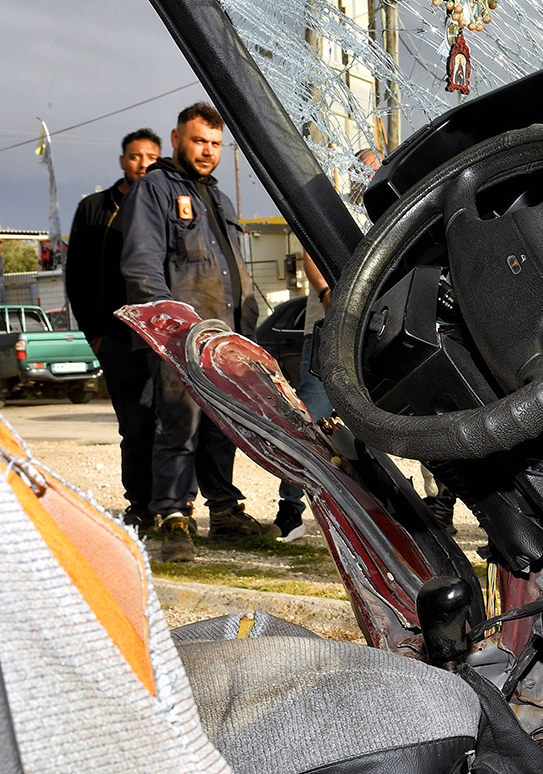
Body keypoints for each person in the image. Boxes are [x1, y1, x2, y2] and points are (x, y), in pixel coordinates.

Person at [121, 102, 269, 561]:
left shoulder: (219, 199)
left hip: (223, 340)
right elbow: (142, 266)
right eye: (199, 141)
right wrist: (170, 328)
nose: (208, 151)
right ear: (177, 139)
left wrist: (245, 330)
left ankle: (223, 512)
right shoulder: (154, 190)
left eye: (215, 144)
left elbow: (232, 271)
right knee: (177, 427)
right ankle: (173, 518)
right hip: (179, 339)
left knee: (221, 428)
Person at [273, 147, 381, 541]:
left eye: (375, 169)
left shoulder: (382, 216)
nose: (368, 176)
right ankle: (289, 510)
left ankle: (373, 509)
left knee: (370, 425)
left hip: (366, 337)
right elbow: (311, 260)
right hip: (323, 332)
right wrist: (326, 295)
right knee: (311, 419)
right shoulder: (332, 211)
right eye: (363, 169)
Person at [64, 128, 162, 533]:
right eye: (135, 156)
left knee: (171, 423)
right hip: (117, 338)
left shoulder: (166, 203)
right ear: (123, 161)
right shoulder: (94, 209)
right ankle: (141, 505)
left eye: (151, 157)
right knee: (135, 426)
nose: (143, 164)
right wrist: (95, 335)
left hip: (160, 338)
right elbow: (76, 276)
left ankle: (177, 508)